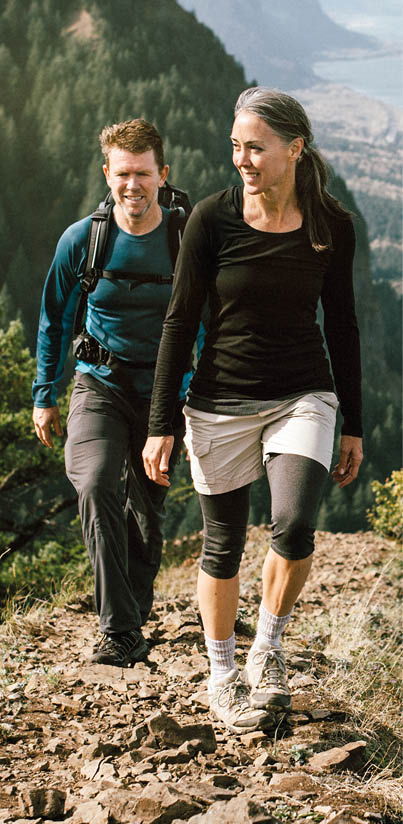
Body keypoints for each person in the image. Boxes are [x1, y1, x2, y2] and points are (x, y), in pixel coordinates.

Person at [143, 87, 363, 733]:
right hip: (218, 401)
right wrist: (160, 423)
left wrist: (350, 420)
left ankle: (267, 650)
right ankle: (221, 674)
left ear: (294, 149)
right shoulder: (210, 219)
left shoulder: (331, 224)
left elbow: (342, 325)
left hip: (302, 393)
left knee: (293, 525)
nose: (241, 158)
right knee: (223, 545)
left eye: (255, 147)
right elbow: (180, 321)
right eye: (235, 146)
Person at [32, 118, 190, 667]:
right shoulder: (84, 239)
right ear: (108, 174)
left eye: (143, 174)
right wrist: (43, 394)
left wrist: (182, 402)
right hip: (97, 384)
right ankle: (120, 631)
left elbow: (210, 323)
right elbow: (54, 318)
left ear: (162, 175)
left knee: (146, 512)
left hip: (163, 394)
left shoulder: (184, 238)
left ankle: (133, 610)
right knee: (96, 481)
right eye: (122, 174)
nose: (133, 186)